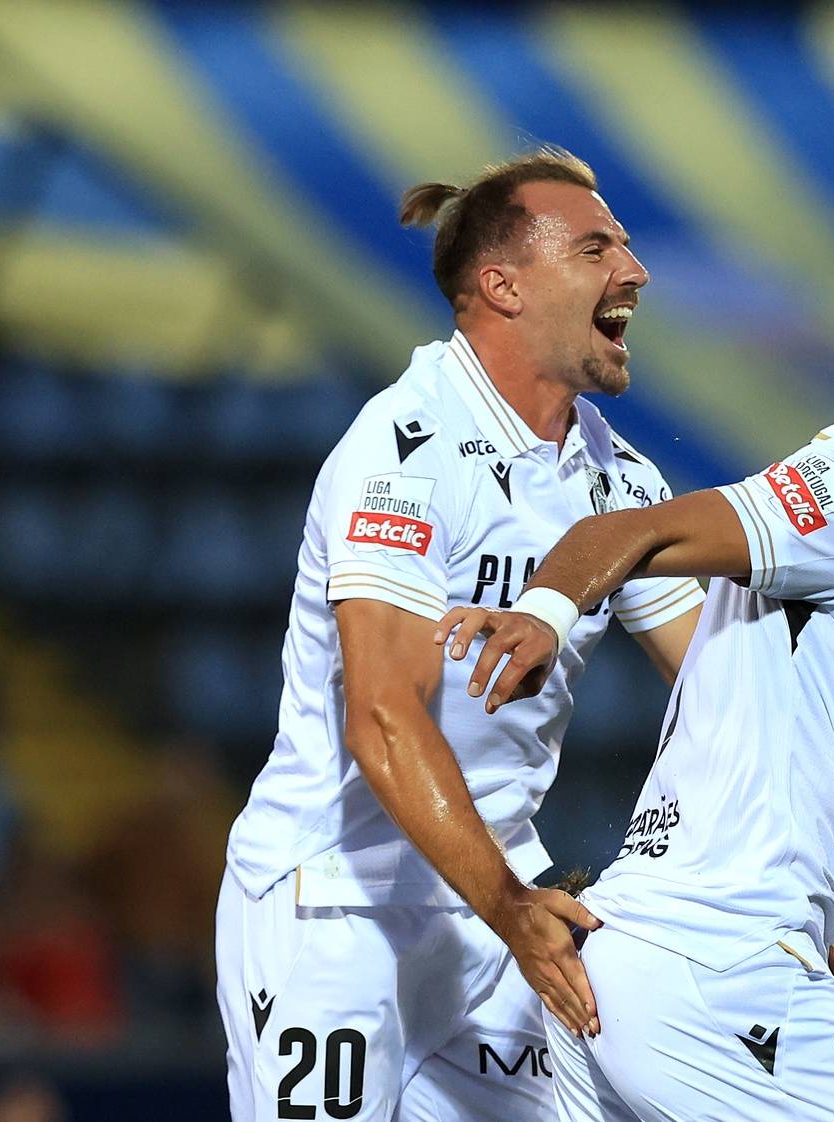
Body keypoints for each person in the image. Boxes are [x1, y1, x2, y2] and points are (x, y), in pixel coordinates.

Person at [439, 201, 834, 1122]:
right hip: (717, 974)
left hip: (635, 972)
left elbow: (772, 678)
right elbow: (632, 529)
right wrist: (545, 611)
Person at [213, 146, 706, 1122]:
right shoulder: (400, 455)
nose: (634, 272)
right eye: (598, 247)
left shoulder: (615, 480)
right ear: (502, 285)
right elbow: (382, 719)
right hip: (335, 906)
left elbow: (721, 684)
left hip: (491, 904)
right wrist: (515, 912)